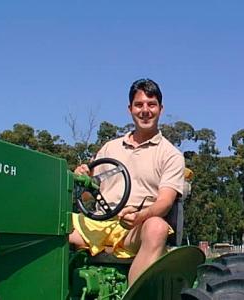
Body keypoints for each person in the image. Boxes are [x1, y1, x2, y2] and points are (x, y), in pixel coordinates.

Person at [69, 78, 185, 285]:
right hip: (99, 223)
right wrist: (83, 180)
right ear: (130, 109)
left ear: (160, 108)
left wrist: (141, 216)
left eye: (151, 104)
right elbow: (87, 196)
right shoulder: (109, 148)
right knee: (48, 224)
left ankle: (133, 292)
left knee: (157, 227)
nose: (145, 110)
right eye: (139, 105)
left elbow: (165, 202)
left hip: (134, 230)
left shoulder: (170, 155)